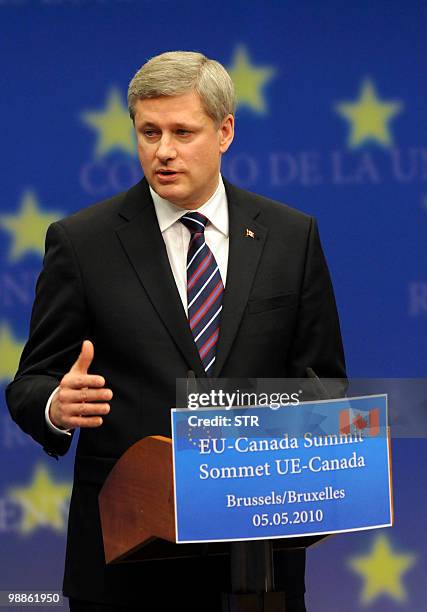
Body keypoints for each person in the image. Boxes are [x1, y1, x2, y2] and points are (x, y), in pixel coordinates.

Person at [6, 51, 346, 611]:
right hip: (127, 558)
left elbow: (326, 384)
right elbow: (30, 382)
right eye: (149, 131)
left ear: (225, 131)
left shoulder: (291, 236)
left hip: (257, 558)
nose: (163, 150)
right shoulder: (82, 242)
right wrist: (54, 405)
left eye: (183, 132)